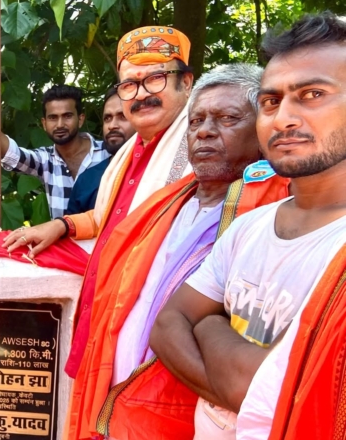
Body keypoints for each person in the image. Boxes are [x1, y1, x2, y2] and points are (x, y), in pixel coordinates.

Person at [67, 64, 291, 440]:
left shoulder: (276, 213)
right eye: (196, 121)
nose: (204, 131)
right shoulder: (161, 205)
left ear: (262, 129)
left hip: (196, 417)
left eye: (227, 119)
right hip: (118, 409)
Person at [152, 12, 346, 440]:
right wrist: (243, 384)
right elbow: (166, 326)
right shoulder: (249, 227)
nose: (283, 119)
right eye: (271, 102)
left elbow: (270, 389)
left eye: (312, 94)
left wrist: (208, 325)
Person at [5, 26, 195, 378]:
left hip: (154, 322)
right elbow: (109, 219)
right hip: (107, 308)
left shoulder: (201, 148)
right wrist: (62, 225)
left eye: (155, 79)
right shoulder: (128, 154)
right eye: (130, 84)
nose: (142, 94)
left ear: (185, 83)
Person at [0, 85, 110, 219]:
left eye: (67, 116)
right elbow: (13, 154)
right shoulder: (45, 160)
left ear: (80, 119)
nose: (60, 124)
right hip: (62, 233)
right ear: (44, 123)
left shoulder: (109, 153)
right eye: (53, 117)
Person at [64, 87, 136, 215]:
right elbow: (71, 225)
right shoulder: (87, 180)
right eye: (107, 118)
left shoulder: (158, 171)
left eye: (123, 116)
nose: (112, 125)